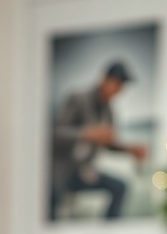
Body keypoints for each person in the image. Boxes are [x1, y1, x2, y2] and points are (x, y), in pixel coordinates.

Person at [49, 61, 148, 220]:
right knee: (53, 199)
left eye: (122, 85)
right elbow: (54, 134)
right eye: (117, 83)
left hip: (84, 171)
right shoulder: (77, 98)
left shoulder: (108, 111)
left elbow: (108, 144)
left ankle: (109, 233)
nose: (119, 89)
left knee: (120, 187)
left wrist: (130, 150)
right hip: (60, 171)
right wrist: (86, 134)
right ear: (105, 79)